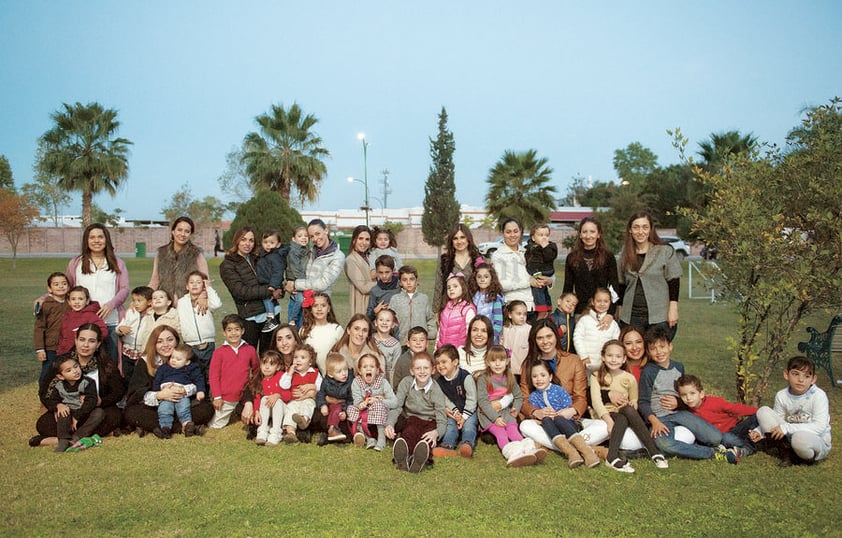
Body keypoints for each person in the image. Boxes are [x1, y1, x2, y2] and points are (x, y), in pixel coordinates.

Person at [640, 326, 739, 463]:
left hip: (680, 413)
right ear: (648, 351)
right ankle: (713, 453)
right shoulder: (648, 371)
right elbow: (643, 402)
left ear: (670, 346)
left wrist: (678, 403)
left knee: (715, 437)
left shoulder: (678, 367)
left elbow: (684, 393)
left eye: (662, 347)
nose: (659, 352)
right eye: (653, 349)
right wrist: (654, 422)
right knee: (665, 445)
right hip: (660, 418)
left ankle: (725, 444)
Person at [32, 323, 126, 447]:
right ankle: (85, 435)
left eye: (91, 341)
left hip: (94, 410)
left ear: (98, 344)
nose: (85, 345)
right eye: (82, 340)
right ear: (76, 340)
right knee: (43, 424)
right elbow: (44, 391)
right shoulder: (61, 362)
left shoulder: (106, 364)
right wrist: (57, 406)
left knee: (114, 416)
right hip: (67, 409)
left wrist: (100, 401)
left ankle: (65, 438)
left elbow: (118, 391)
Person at [591, 340, 668, 472]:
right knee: (621, 418)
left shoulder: (629, 378)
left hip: (623, 411)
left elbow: (634, 397)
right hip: (604, 413)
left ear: (624, 359)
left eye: (618, 356)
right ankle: (613, 457)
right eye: (610, 356)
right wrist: (608, 421)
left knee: (627, 411)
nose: (614, 360)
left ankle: (653, 452)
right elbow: (596, 401)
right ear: (603, 357)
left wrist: (634, 402)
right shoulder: (596, 376)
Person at [59, 223, 130, 363]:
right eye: (92, 237)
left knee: (110, 362)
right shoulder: (76, 263)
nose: (96, 241)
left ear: (106, 239)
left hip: (110, 322)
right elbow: (66, 288)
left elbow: (124, 289)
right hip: (83, 322)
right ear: (86, 240)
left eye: (100, 237)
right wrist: (44, 298)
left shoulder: (117, 263)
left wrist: (111, 304)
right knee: (83, 362)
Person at [124, 325, 213, 435]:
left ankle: (161, 427)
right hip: (157, 407)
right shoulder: (145, 362)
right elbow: (136, 393)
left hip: (184, 403)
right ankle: (182, 427)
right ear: (154, 344)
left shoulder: (188, 356)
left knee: (206, 409)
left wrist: (185, 390)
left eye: (170, 340)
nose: (165, 345)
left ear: (177, 341)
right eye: (160, 341)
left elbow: (199, 381)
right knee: (131, 413)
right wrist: (161, 395)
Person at [754, 356, 831, 466]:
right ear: (786, 374)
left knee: (799, 438)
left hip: (815, 440)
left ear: (813, 379)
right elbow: (777, 420)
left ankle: (805, 458)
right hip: (792, 435)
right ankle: (786, 451)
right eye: (795, 374)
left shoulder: (819, 396)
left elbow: (819, 427)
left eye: (807, 376)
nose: (801, 380)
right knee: (763, 411)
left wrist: (786, 428)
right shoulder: (782, 395)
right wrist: (759, 431)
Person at [618, 211, 682, 339]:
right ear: (630, 230)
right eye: (636, 227)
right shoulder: (624, 254)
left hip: (659, 316)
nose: (640, 231)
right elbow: (621, 285)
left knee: (657, 354)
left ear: (650, 229)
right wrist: (619, 309)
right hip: (632, 316)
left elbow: (674, 281)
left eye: (644, 227)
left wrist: (673, 309)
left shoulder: (664, 251)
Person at [527, 360, 599, 468]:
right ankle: (572, 453)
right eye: (535, 376)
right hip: (551, 428)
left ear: (550, 377)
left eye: (543, 375)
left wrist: (560, 414)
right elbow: (537, 414)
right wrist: (538, 418)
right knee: (545, 420)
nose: (539, 379)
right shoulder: (533, 396)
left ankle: (587, 452)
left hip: (567, 424)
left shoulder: (558, 390)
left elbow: (568, 408)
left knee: (558, 419)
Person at [476, 345, 539, 467]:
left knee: (513, 431)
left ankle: (528, 450)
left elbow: (518, 396)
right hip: (489, 413)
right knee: (501, 433)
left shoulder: (510, 377)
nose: (498, 364)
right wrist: (495, 418)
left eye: (501, 360)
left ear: (507, 361)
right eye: (494, 360)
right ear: (488, 362)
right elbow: (483, 402)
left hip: (506, 411)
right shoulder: (484, 378)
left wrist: (516, 408)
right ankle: (512, 453)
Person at [219, 227, 279, 351]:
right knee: (249, 357)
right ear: (237, 241)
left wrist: (280, 289)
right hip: (251, 317)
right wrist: (269, 291)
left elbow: (274, 276)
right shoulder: (228, 265)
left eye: (251, 240)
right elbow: (241, 292)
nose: (247, 243)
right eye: (243, 239)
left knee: (270, 357)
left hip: (272, 313)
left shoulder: (260, 258)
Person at [386, 352, 447, 473]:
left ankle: (418, 460)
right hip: (412, 418)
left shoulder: (435, 390)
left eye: (426, 368)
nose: (422, 371)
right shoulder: (406, 383)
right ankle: (402, 458)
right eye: (418, 368)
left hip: (430, 421)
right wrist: (390, 423)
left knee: (426, 440)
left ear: (433, 370)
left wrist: (436, 433)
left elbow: (441, 416)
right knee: (409, 432)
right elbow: (397, 406)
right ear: (412, 371)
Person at [676, 374, 758, 457]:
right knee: (726, 438)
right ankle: (747, 447)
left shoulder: (715, 402)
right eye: (684, 395)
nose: (688, 398)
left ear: (701, 394)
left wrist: (758, 411)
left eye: (692, 393)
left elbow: (735, 409)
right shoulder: (687, 413)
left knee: (758, 417)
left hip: (736, 428)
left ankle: (749, 445)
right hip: (723, 436)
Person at [562, 217, 620, 320]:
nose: (588, 236)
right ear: (580, 234)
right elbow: (568, 287)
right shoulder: (572, 258)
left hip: (603, 312)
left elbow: (614, 287)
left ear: (599, 234)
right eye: (584, 232)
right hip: (580, 312)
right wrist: (564, 312)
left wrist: (611, 313)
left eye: (592, 232)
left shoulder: (608, 257)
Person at [43, 356, 104, 452]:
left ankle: (77, 437)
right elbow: (51, 400)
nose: (75, 371)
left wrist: (77, 416)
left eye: (76, 367)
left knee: (99, 412)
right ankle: (64, 440)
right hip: (68, 411)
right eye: (69, 370)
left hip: (83, 412)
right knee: (63, 412)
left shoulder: (88, 382)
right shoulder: (59, 386)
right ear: (60, 376)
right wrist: (58, 405)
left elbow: (91, 400)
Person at [491, 217, 550, 319]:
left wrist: (549, 280)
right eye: (508, 232)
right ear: (502, 233)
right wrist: (529, 282)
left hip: (534, 307)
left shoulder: (528, 252)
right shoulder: (499, 255)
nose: (512, 235)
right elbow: (501, 285)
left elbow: (544, 269)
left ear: (521, 231)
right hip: (514, 308)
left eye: (515, 231)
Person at [208, 314, 259, 429]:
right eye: (229, 330)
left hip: (244, 396)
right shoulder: (219, 353)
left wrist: (254, 390)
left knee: (252, 420)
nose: (233, 333)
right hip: (226, 397)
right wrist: (217, 396)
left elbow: (256, 370)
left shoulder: (250, 350)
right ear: (224, 333)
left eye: (237, 330)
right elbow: (213, 376)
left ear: (243, 331)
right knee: (217, 425)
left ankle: (239, 412)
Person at [148, 216, 209, 304]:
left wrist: (203, 297)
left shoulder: (197, 254)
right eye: (179, 230)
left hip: (189, 305)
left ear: (190, 234)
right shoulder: (161, 253)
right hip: (165, 305)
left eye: (187, 231)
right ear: (173, 231)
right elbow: (154, 281)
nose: (183, 234)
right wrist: (143, 298)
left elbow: (205, 282)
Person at [151, 343, 206, 439]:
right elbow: (157, 381)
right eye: (172, 357)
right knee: (164, 410)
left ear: (187, 362)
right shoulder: (164, 368)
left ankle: (187, 426)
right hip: (166, 395)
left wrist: (200, 391)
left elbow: (199, 379)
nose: (173, 361)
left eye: (178, 359)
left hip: (182, 395)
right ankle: (165, 428)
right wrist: (158, 392)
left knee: (184, 409)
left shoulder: (191, 368)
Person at [432, 344, 477, 458]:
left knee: (469, 425)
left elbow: (472, 399)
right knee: (450, 425)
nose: (440, 366)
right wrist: (455, 412)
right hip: (454, 412)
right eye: (438, 363)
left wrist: (464, 417)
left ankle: (467, 444)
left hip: (469, 410)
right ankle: (448, 445)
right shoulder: (439, 381)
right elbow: (445, 399)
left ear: (455, 362)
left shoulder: (465, 377)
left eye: (444, 362)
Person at [176, 271, 221, 382]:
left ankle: (207, 396)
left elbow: (217, 304)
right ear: (187, 286)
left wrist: (208, 289)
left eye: (198, 282)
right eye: (191, 282)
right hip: (190, 343)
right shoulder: (181, 302)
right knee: (192, 371)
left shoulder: (207, 301)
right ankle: (195, 395)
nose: (195, 285)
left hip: (207, 342)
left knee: (208, 372)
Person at [347, 353, 397, 451]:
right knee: (350, 409)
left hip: (380, 412)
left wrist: (379, 400)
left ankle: (381, 440)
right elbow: (356, 399)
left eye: (372, 367)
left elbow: (394, 402)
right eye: (365, 367)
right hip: (364, 411)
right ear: (360, 371)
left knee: (378, 405)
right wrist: (360, 404)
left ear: (377, 370)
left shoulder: (382, 382)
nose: (368, 369)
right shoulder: (356, 382)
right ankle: (369, 439)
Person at [285, 219, 346, 298]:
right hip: (302, 301)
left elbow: (322, 284)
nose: (315, 238)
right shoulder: (309, 252)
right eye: (312, 236)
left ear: (326, 231)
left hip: (320, 303)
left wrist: (295, 284)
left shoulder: (337, 256)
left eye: (317, 234)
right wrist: (288, 282)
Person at [279, 344, 322, 443]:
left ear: (310, 362)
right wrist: (290, 373)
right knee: (291, 410)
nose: (298, 360)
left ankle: (304, 420)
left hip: (308, 398)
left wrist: (311, 386)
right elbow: (283, 385)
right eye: (296, 357)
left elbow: (321, 386)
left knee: (308, 405)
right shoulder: (291, 372)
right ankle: (291, 433)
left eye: (302, 358)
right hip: (294, 400)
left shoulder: (314, 372)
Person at [573, 287, 621, 376]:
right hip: (585, 364)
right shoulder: (584, 320)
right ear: (593, 302)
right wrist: (584, 357)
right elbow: (578, 338)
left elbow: (615, 343)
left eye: (606, 301)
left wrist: (608, 360)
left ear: (610, 303)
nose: (602, 304)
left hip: (605, 366)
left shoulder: (613, 324)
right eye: (599, 301)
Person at [433, 224, 483, 309]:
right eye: (455, 238)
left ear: (468, 238)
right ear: (451, 241)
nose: (459, 241)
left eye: (462, 237)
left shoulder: (478, 259)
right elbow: (438, 286)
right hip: (451, 309)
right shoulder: (445, 261)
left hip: (476, 308)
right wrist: (437, 310)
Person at [33, 272, 70, 383]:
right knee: (48, 372)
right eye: (56, 284)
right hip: (50, 348)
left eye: (64, 284)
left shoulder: (71, 303)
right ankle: (44, 395)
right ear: (49, 289)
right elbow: (39, 328)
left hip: (67, 346)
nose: (60, 286)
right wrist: (40, 349)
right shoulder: (45, 305)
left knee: (66, 371)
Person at [388, 265, 437, 346]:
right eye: (404, 280)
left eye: (411, 279)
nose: (408, 282)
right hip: (401, 342)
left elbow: (430, 318)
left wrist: (430, 334)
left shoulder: (424, 299)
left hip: (420, 342)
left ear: (417, 281)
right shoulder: (395, 299)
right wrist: (393, 336)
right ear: (400, 282)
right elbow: (390, 319)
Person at [315, 352, 355, 445]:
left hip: (344, 406)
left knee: (339, 410)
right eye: (339, 372)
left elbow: (351, 399)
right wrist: (323, 405)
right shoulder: (326, 382)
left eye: (345, 369)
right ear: (331, 374)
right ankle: (332, 430)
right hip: (331, 405)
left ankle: (334, 430)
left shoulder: (350, 381)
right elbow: (320, 394)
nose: (344, 374)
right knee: (334, 409)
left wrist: (345, 411)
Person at [299, 291, 344, 373]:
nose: (319, 309)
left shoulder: (337, 329)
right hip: (312, 376)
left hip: (332, 374)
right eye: (315, 306)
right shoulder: (304, 330)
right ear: (311, 309)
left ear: (329, 308)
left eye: (323, 305)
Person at [56, 286, 107, 356]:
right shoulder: (67, 317)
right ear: (69, 301)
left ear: (87, 301)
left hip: (84, 353)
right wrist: (60, 351)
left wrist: (88, 340)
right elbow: (62, 336)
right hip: (66, 353)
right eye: (73, 299)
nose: (77, 302)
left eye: (80, 299)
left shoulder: (91, 316)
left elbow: (103, 332)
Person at [248, 350, 285, 446]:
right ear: (260, 365)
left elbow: (289, 394)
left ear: (278, 367)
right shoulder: (259, 380)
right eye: (264, 363)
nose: (267, 367)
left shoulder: (281, 376)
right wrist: (256, 411)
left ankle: (276, 433)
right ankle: (262, 431)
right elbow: (257, 398)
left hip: (281, 408)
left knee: (277, 401)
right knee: (264, 399)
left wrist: (278, 395)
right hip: (267, 410)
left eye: (271, 364)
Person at [117, 286, 153, 382]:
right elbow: (119, 327)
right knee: (128, 375)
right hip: (128, 351)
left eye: (139, 301)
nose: (136, 304)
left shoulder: (152, 315)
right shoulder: (130, 312)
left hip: (142, 351)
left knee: (141, 376)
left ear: (149, 302)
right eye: (134, 300)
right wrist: (121, 329)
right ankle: (129, 394)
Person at [256, 229, 289, 334]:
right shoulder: (264, 255)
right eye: (265, 242)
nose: (268, 245)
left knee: (267, 298)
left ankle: (271, 317)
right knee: (268, 299)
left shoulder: (275, 256)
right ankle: (271, 315)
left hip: (271, 283)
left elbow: (278, 271)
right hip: (266, 281)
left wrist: (273, 285)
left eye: (271, 243)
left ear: (278, 244)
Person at [524, 223, 557, 319]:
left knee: (537, 289)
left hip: (545, 271)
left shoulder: (550, 247)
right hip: (535, 271)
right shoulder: (530, 247)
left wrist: (545, 247)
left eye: (546, 235)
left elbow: (550, 257)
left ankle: (542, 310)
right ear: (533, 238)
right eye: (541, 235)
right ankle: (548, 306)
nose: (544, 238)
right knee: (543, 290)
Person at [435, 273, 476, 349]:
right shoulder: (445, 307)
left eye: (455, 286)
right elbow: (440, 331)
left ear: (463, 288)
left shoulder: (468, 309)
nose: (451, 289)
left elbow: (470, 333)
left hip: (458, 352)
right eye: (448, 287)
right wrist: (436, 348)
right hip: (442, 351)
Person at [344, 225, 375, 317]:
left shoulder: (371, 257)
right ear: (354, 240)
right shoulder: (351, 260)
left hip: (375, 303)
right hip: (362, 304)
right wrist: (385, 281)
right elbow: (363, 287)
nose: (364, 242)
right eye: (360, 238)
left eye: (367, 239)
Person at [469, 262, 504, 343]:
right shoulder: (473, 296)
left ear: (492, 278)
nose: (482, 280)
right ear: (475, 278)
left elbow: (498, 323)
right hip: (475, 338)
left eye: (486, 276)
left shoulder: (495, 298)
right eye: (479, 277)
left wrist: (490, 338)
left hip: (490, 339)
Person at [500, 300, 530, 381]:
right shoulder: (506, 329)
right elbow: (501, 343)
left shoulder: (528, 329)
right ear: (510, 314)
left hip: (523, 366)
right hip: (508, 366)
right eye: (518, 314)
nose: (522, 317)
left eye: (525, 314)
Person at [286, 225, 310, 329]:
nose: (304, 238)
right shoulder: (293, 252)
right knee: (299, 300)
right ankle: (292, 319)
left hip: (302, 282)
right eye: (300, 236)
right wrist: (305, 283)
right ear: (293, 239)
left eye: (306, 236)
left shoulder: (306, 251)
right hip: (297, 281)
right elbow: (296, 269)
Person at [366, 255, 400, 320]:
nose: (384, 276)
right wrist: (375, 311)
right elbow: (368, 317)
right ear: (376, 272)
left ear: (393, 270)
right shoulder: (375, 290)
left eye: (387, 272)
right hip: (383, 326)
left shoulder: (401, 287)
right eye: (380, 272)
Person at [373, 308, 401, 384]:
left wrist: (391, 388)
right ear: (375, 323)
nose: (384, 323)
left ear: (392, 325)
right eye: (381, 320)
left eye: (388, 320)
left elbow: (394, 368)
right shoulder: (370, 340)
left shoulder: (396, 345)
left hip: (386, 382)